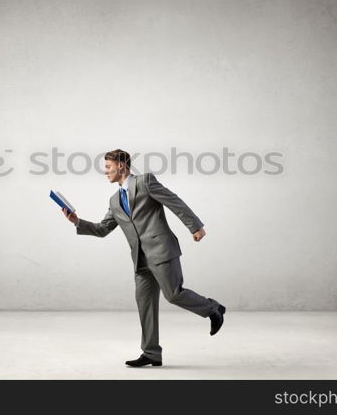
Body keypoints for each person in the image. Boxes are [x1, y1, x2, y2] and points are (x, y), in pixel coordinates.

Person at [62, 149, 225, 367]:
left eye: (108, 167)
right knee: (145, 304)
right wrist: (76, 221)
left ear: (121, 165)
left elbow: (173, 201)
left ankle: (213, 309)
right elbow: (102, 229)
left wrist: (195, 226)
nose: (105, 172)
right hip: (140, 260)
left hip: (161, 249)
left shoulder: (145, 181)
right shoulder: (114, 201)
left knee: (174, 294)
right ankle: (151, 353)